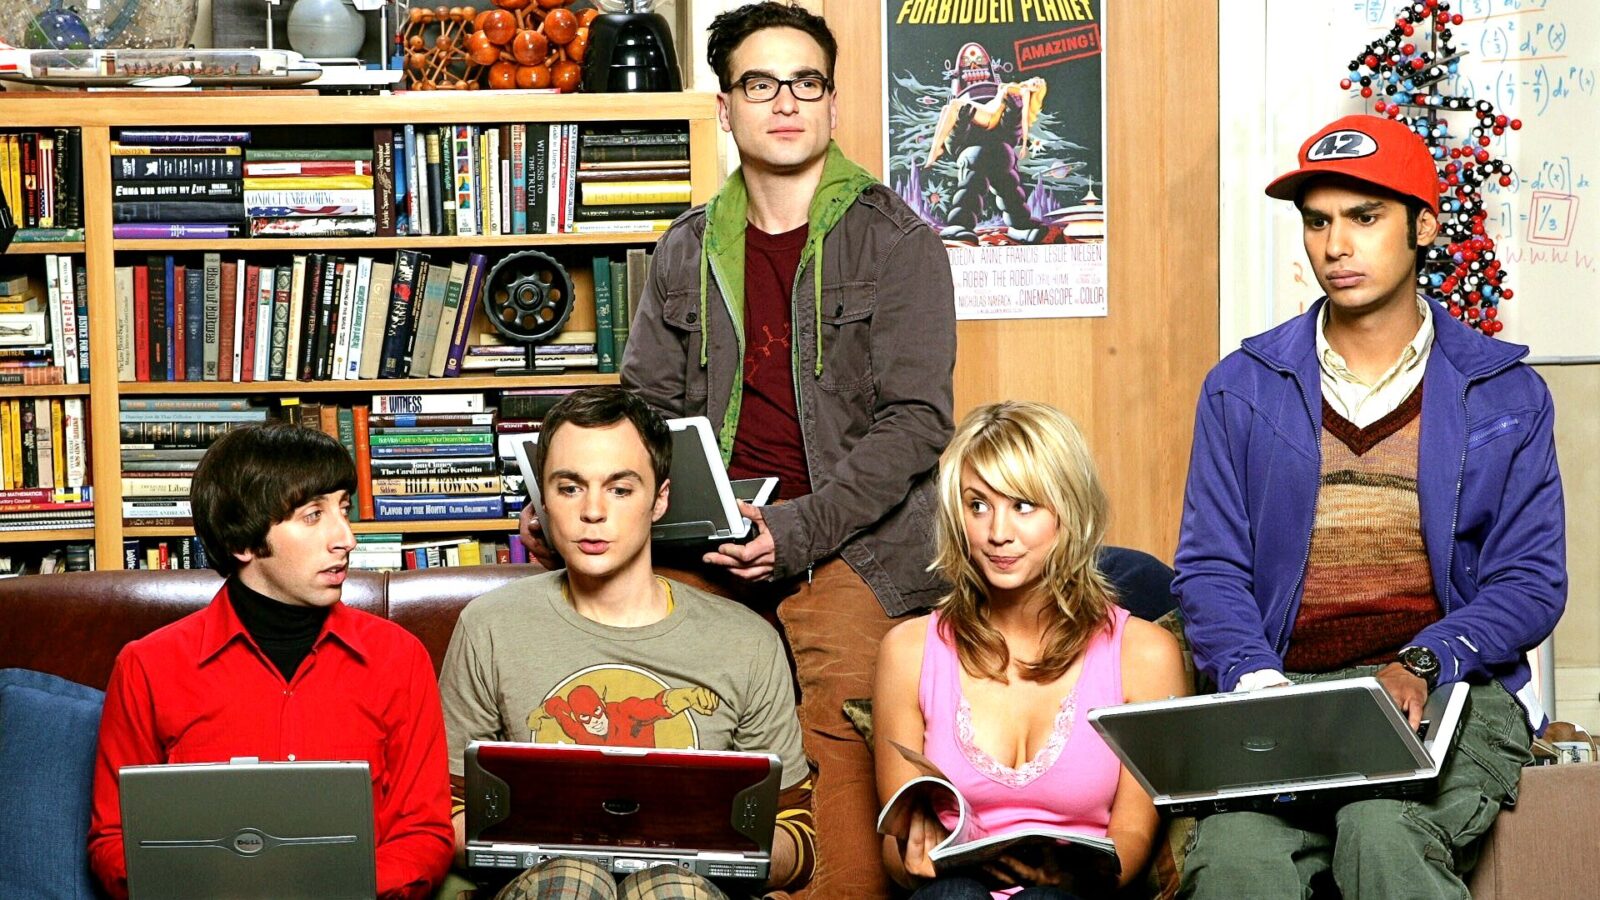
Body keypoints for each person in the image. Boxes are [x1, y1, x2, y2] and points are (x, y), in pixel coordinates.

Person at [520, 4, 956, 896]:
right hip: (705, 535)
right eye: (761, 84)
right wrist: (568, 495)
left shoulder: (898, 241)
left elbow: (917, 421)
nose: (785, 103)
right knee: (633, 691)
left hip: (856, 545)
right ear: (726, 108)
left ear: (833, 103)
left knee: (840, 725)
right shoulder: (685, 247)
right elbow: (641, 413)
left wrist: (795, 531)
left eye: (806, 83)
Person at [1173, 114, 1566, 898]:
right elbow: (1209, 569)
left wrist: (1425, 659)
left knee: (1381, 831)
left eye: (1364, 217)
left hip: (1449, 687)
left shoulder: (1506, 393)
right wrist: (1254, 680)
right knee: (1234, 862)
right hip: (1289, 693)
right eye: (1318, 222)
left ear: (1423, 226)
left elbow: (1530, 582)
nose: (1336, 245)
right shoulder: (1240, 388)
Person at [441, 387, 814, 899]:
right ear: (543, 500)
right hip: (543, 884)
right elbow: (444, 812)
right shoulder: (490, 626)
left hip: (691, 889)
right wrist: (554, 846)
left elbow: (796, 834)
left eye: (620, 489)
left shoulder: (746, 642)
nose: (593, 511)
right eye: (569, 488)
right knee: (576, 881)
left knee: (669, 889)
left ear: (659, 499)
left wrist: (704, 850)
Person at [87, 424, 453, 899]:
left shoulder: (398, 658)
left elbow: (425, 834)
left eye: (343, 509)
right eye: (313, 515)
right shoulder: (147, 666)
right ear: (243, 542)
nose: (346, 538)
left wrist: (334, 890)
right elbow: (114, 840)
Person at [873, 401, 1188, 899]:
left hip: (1077, 892)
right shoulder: (908, 651)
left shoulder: (1144, 655)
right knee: (953, 895)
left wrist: (1066, 876)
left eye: (1023, 505)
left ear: (1068, 510)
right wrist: (911, 856)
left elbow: (1132, 835)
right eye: (978, 506)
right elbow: (897, 845)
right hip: (951, 891)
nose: (998, 533)